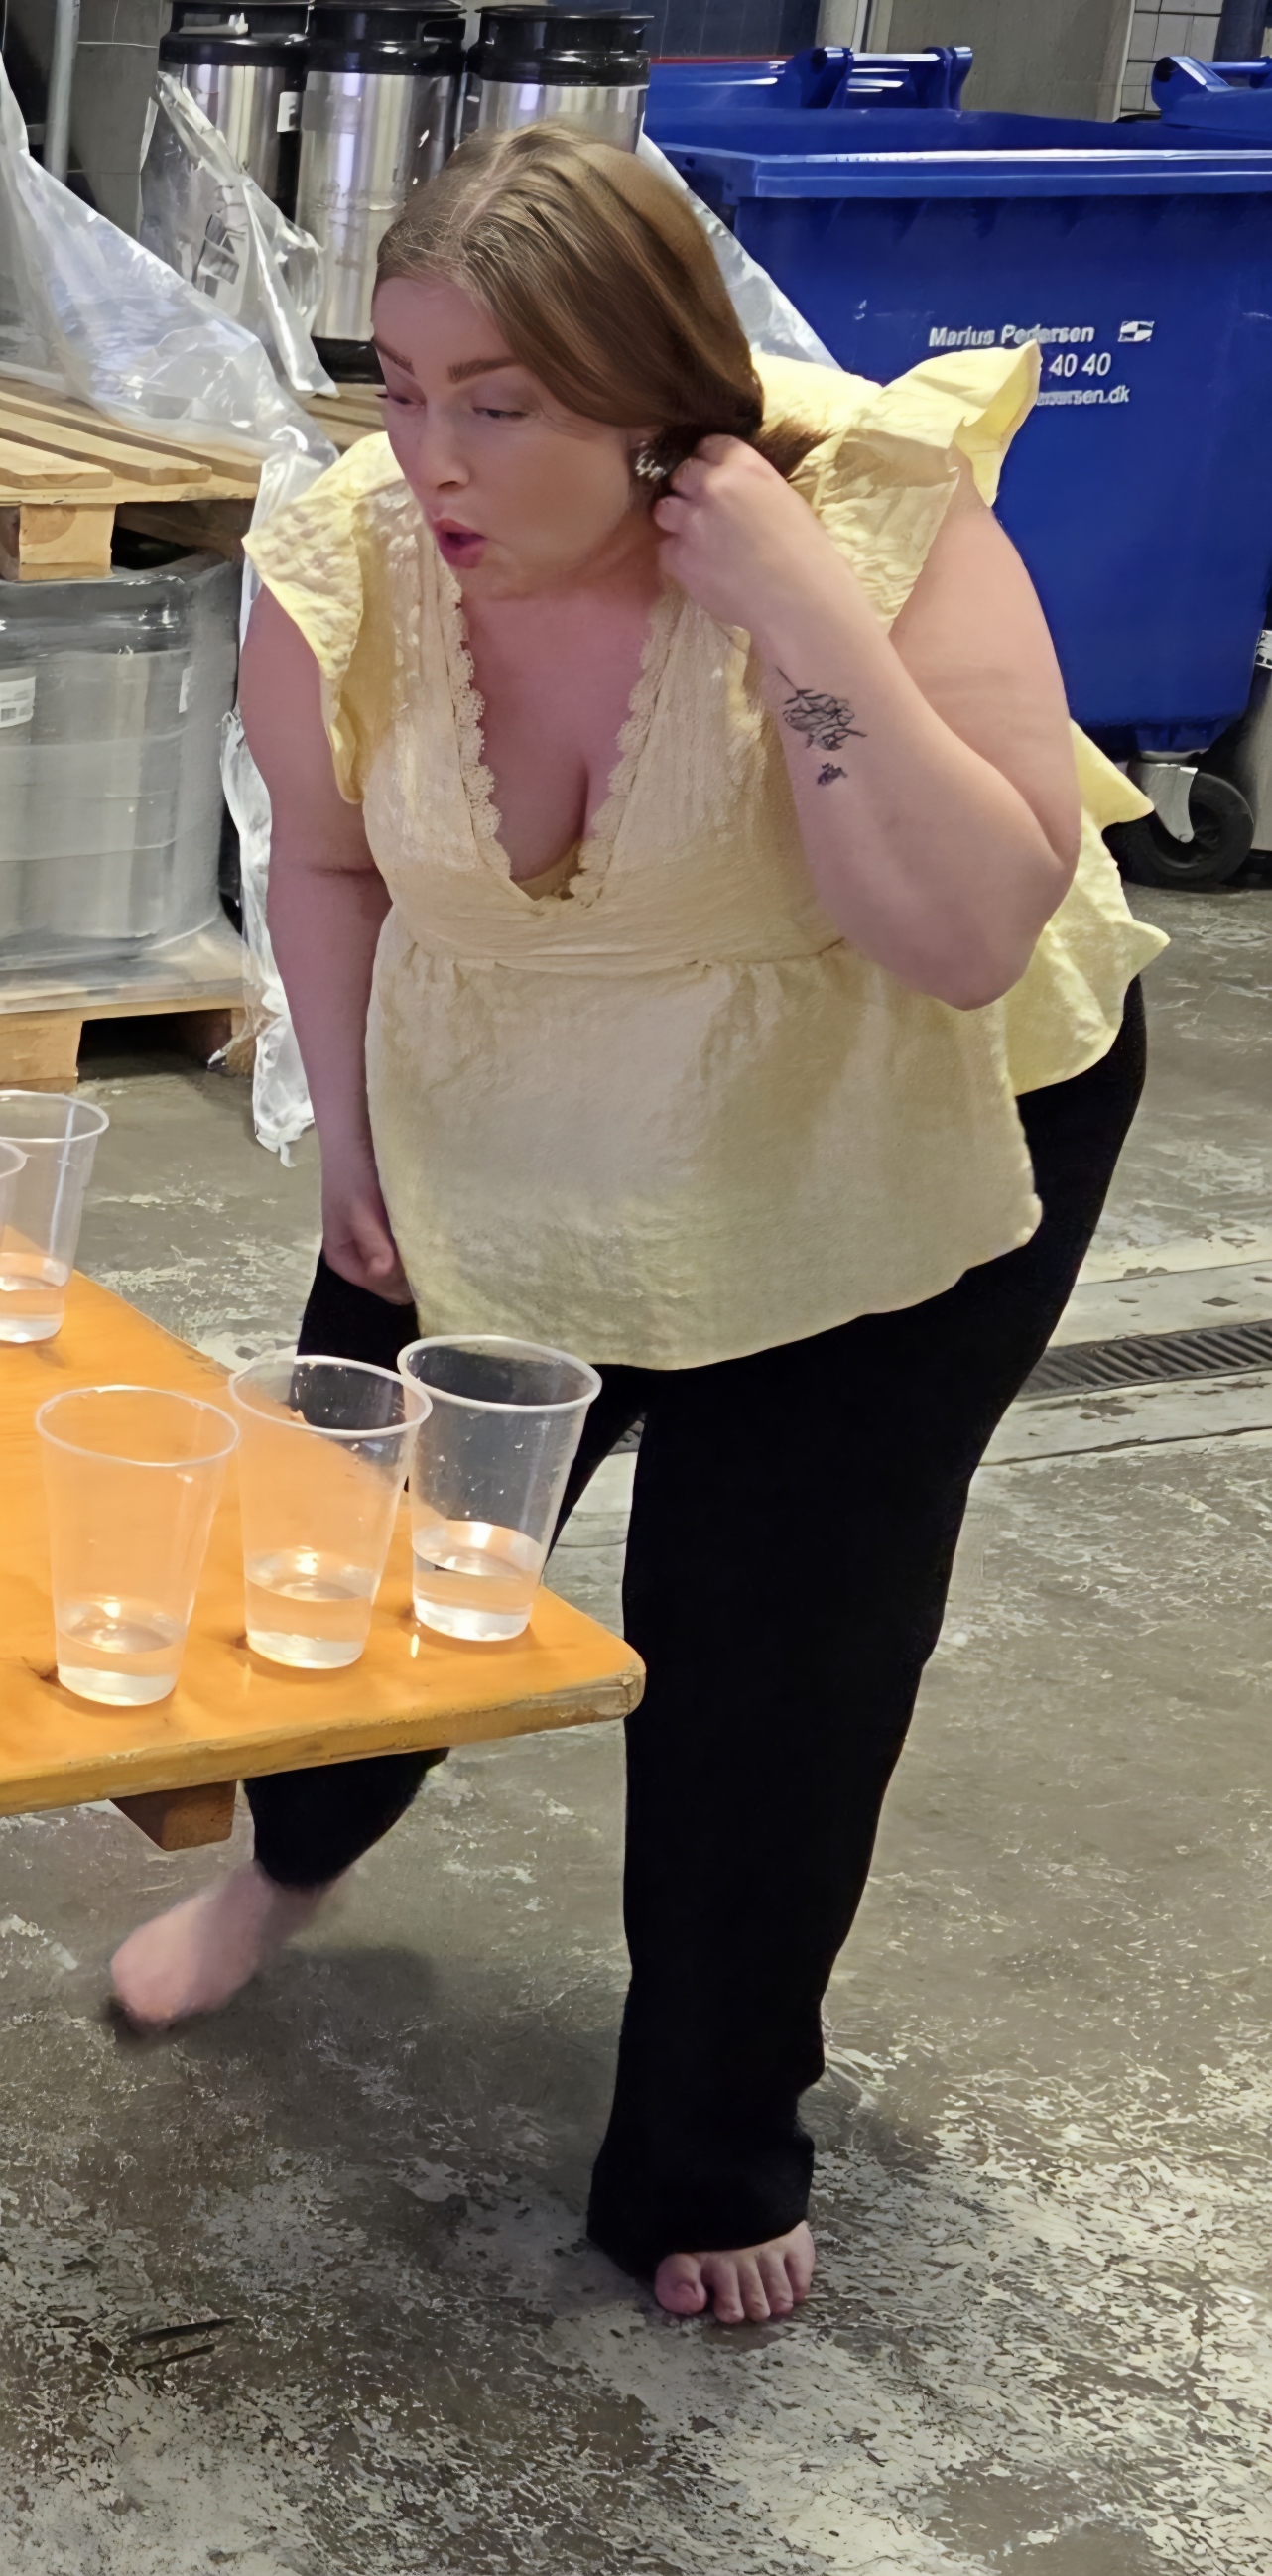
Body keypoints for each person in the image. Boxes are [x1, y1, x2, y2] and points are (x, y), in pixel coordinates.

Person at [110, 126, 1164, 2325]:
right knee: (363, 1537)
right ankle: (283, 1874)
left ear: (657, 398)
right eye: (403, 385)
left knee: (775, 1631)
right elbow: (328, 864)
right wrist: (348, 1141)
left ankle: (710, 2136)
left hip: (890, 1115)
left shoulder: (874, 523)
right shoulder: (347, 558)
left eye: (502, 401)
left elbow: (967, 938)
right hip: (515, 1079)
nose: (432, 455)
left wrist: (794, 609)